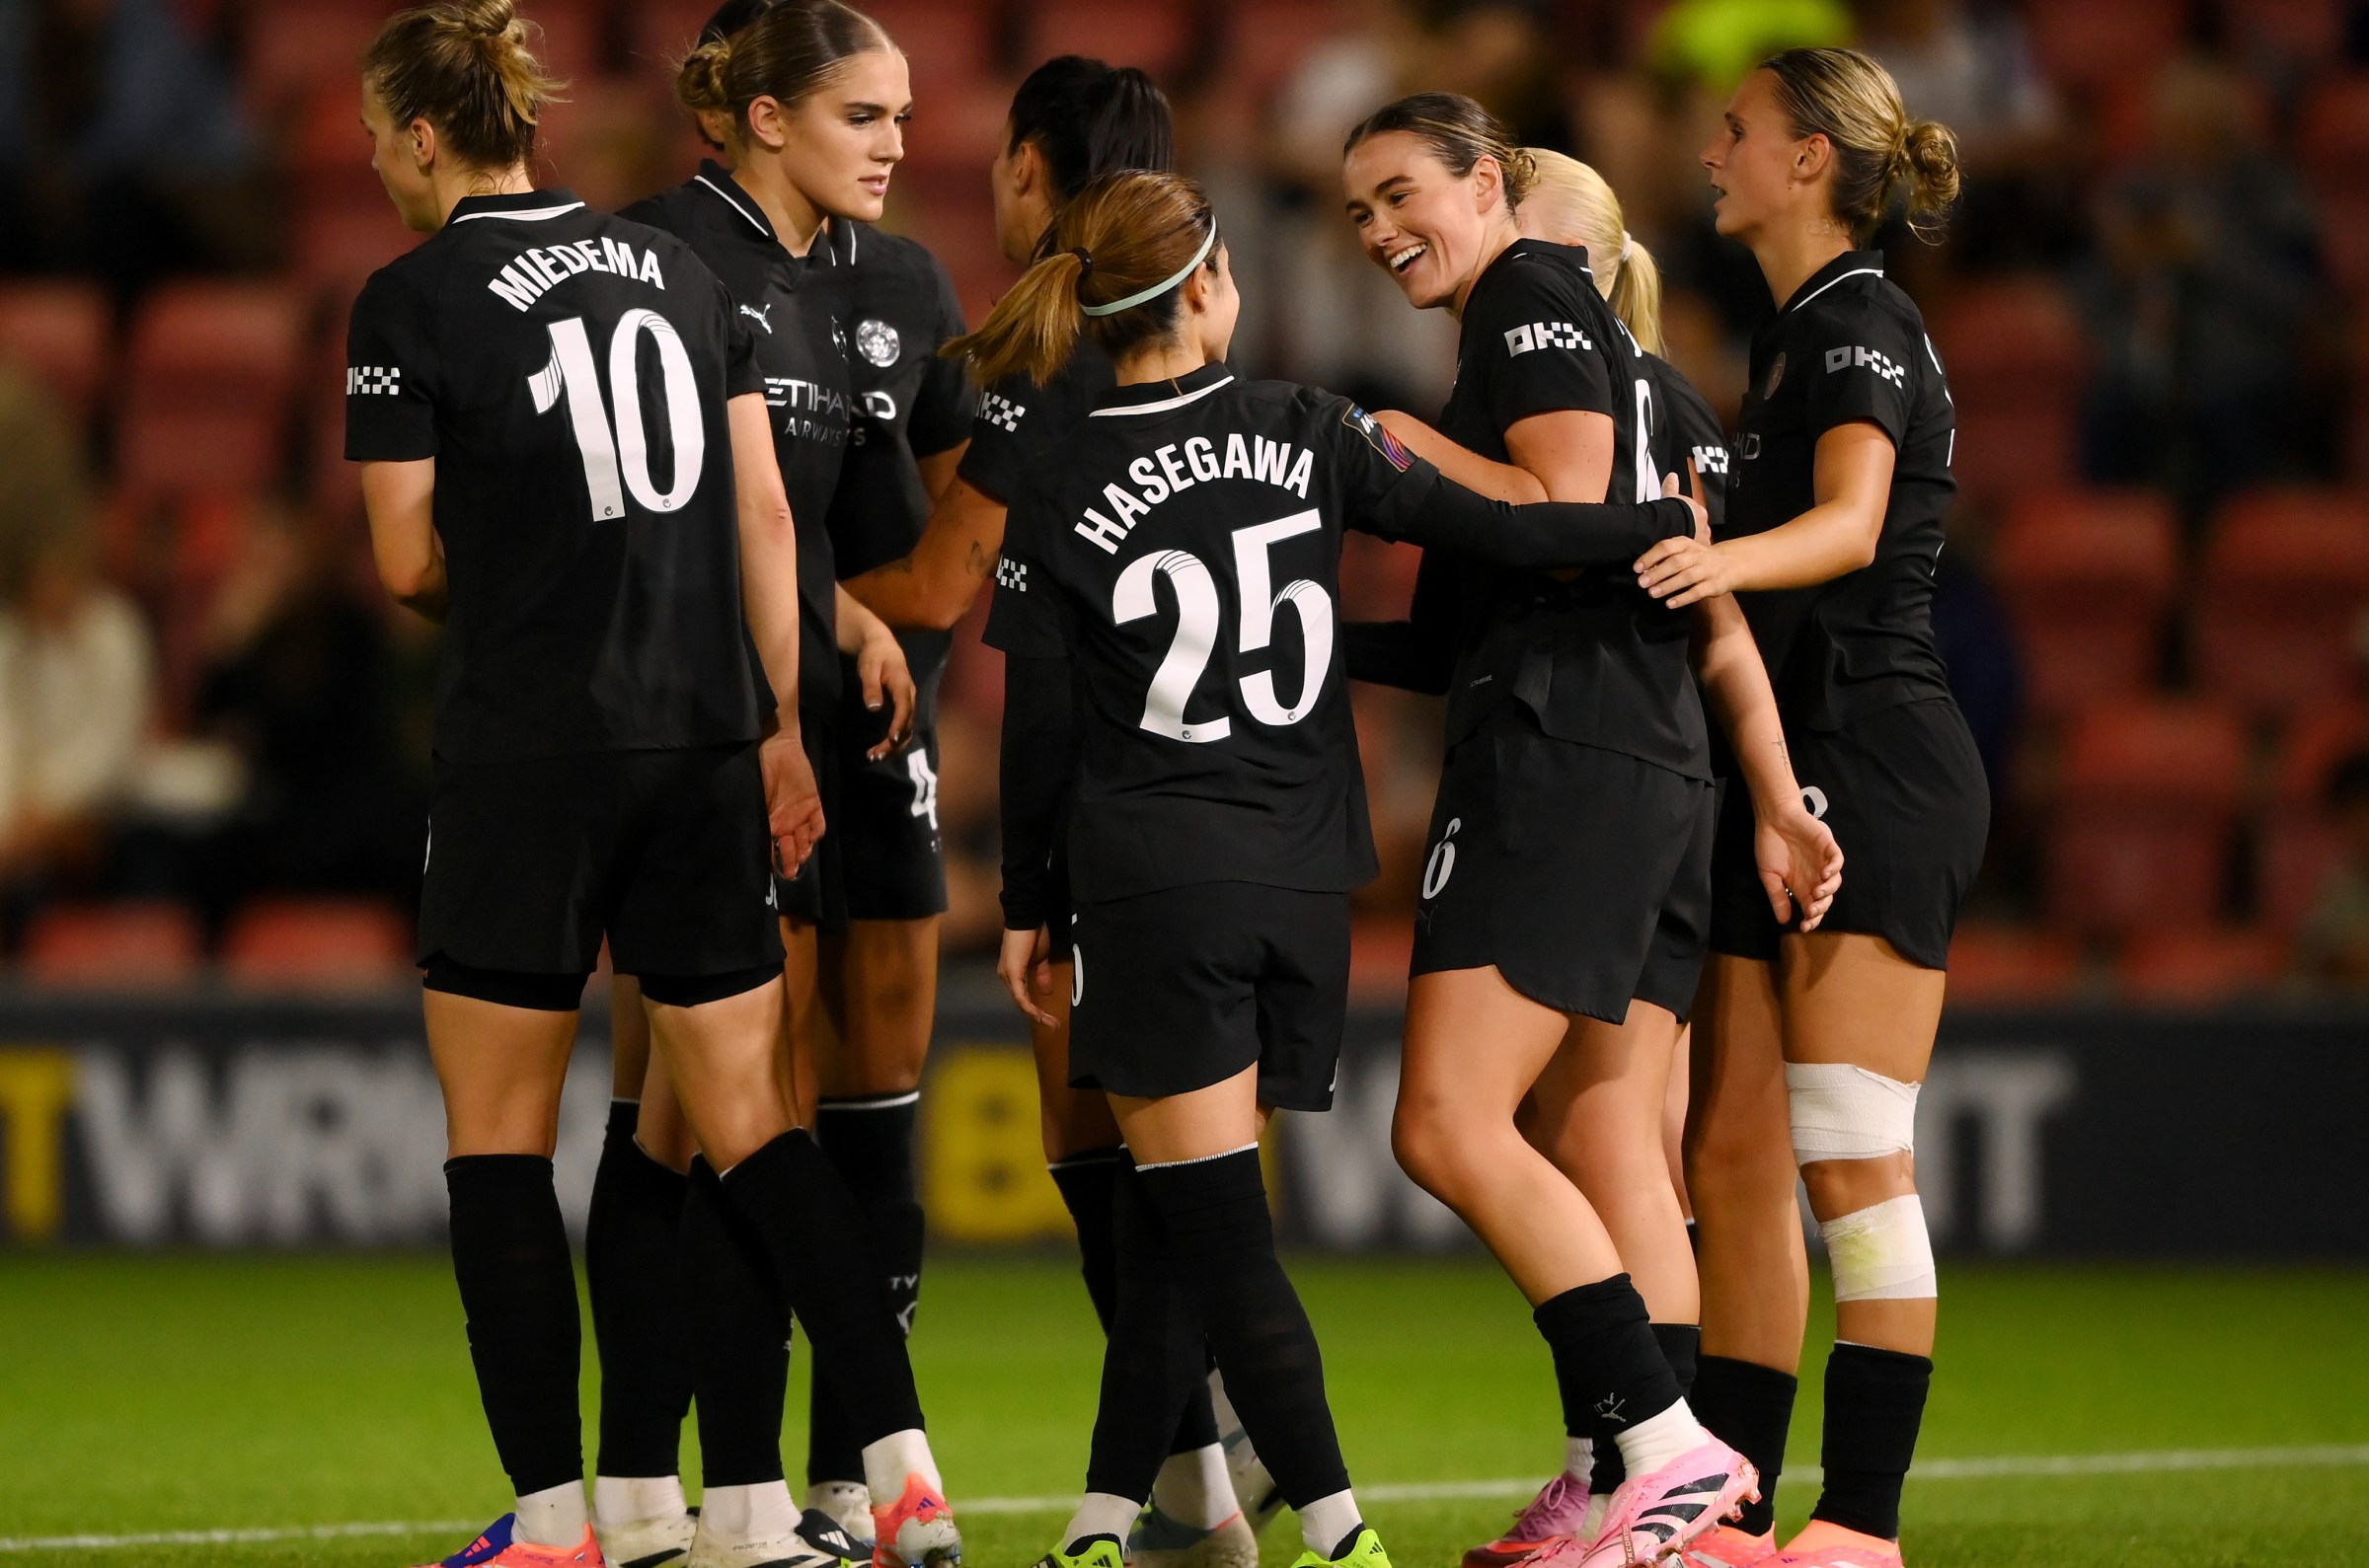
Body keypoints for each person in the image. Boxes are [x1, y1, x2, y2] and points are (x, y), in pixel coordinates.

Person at [965, 167, 1713, 1568]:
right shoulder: (1309, 427)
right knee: (1182, 1214)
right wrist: (1649, 528)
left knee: (1205, 1228)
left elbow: (1044, 717)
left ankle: (1346, 1524)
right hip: (1305, 878)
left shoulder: (1065, 470)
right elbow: (1503, 528)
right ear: (1209, 288)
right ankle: (1117, 1520)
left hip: (1157, 871)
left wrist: (1026, 898)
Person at [342, 7, 956, 1568]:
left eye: (374, 136)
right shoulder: (683, 273)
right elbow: (766, 517)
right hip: (704, 748)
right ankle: (900, 1470)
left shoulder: (409, 299)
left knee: (499, 1142)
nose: (368, 163)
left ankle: (557, 1528)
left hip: (530, 757)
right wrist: (771, 725)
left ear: (423, 136)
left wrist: (541, 569)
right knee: (756, 1126)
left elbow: (409, 558)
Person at [1337, 94, 1835, 1568]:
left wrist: (1382, 446)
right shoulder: (1667, 399)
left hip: (1560, 750)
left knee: (1445, 1121)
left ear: (1506, 198)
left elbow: (1552, 507)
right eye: (1357, 212)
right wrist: (1774, 790)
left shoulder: (1523, 295)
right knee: (1617, 1139)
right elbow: (1682, 604)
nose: (1378, 234)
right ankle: (1646, 1497)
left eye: (1402, 195)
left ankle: (1666, 1452)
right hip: (1655, 764)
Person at [843, 57, 1269, 1567]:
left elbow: (957, 593)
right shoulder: (1202, 347)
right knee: (1158, 1153)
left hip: (1115, 807)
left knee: (1113, 1148)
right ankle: (1205, 1471)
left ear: (1030, 171)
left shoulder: (1042, 366)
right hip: (1245, 804)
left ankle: (1215, 1471)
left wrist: (791, 594)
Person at [1646, 46, 1982, 1568]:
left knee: (1850, 1149)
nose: (1712, 151)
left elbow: (1850, 528)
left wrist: (1714, 562)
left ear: (1809, 164)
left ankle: (1861, 1522)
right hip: (1783, 762)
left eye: (1737, 130)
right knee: (1729, 1151)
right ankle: (1731, 1501)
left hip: (1880, 753)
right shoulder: (1793, 337)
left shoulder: (1860, 323)